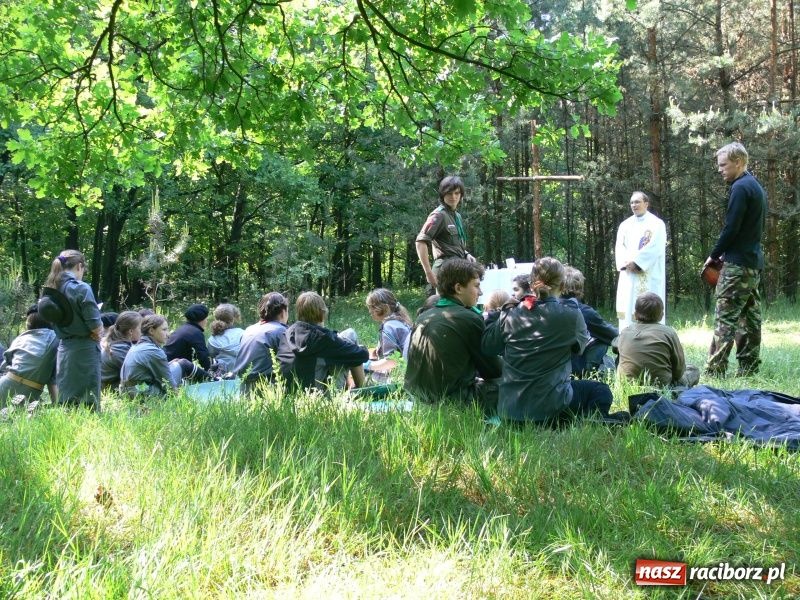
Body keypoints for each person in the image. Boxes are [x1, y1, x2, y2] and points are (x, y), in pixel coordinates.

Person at [482, 257, 614, 425]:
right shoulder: (571, 315)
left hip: (510, 412)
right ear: (562, 286)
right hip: (551, 409)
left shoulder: (510, 313)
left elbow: (487, 348)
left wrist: (501, 311)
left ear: (531, 285)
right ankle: (589, 423)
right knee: (600, 390)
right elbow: (579, 349)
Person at [405, 258, 502, 412]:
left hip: (416, 398)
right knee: (516, 384)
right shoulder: (469, 318)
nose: (481, 292)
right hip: (451, 403)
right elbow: (493, 370)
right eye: (476, 286)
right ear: (458, 288)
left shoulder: (424, 315)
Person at [704, 142, 767, 377]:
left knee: (726, 317)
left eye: (723, 165)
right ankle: (749, 366)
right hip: (752, 263)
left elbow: (731, 228)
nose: (720, 169)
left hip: (737, 265)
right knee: (750, 317)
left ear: (738, 162)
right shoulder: (755, 186)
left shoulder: (740, 187)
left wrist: (713, 255)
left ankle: (714, 370)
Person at [43, 249, 103, 411]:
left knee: (67, 400)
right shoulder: (81, 288)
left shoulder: (51, 289)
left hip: (64, 349)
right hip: (85, 349)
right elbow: (96, 328)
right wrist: (96, 332)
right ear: (79, 266)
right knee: (88, 401)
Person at [277, 292, 369, 393]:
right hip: (316, 396)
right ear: (322, 312)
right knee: (350, 335)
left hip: (288, 395)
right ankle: (363, 390)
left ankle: (353, 388)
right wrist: (361, 348)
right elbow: (361, 355)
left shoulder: (287, 333)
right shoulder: (322, 338)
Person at [616, 292, 700, 388]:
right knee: (693, 370)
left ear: (635, 314)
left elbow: (616, 348)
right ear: (661, 315)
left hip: (627, 387)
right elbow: (678, 372)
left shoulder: (625, 332)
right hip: (662, 388)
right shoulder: (669, 333)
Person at [614, 191, 666, 329]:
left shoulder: (657, 224)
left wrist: (637, 263)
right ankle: (628, 339)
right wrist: (626, 264)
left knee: (650, 306)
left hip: (649, 273)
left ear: (646, 204)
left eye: (637, 202)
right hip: (629, 275)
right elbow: (620, 247)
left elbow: (656, 247)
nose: (634, 205)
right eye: (632, 202)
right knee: (629, 306)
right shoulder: (625, 225)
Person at [415, 176, 476, 291]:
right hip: (445, 269)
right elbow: (420, 242)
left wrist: (466, 254)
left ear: (461, 195)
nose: (453, 197)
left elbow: (452, 243)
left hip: (458, 267)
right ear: (443, 195)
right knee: (447, 307)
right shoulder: (438, 215)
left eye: (456, 193)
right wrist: (428, 272)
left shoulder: (456, 216)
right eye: (449, 193)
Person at [561, 266, 618, 377]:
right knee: (601, 341)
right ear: (580, 288)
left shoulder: (547, 308)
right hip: (575, 369)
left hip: (552, 370)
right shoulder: (584, 312)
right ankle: (591, 373)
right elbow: (612, 334)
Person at [0, 305, 59, 406]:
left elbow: (4, 366)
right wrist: (57, 404)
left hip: (5, 384)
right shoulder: (55, 339)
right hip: (28, 392)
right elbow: (52, 380)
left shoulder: (21, 337)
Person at [234, 292, 289, 395]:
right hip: (267, 387)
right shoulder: (281, 331)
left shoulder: (249, 329)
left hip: (243, 387)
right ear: (283, 312)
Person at [363, 288, 413, 381]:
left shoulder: (388, 327)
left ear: (385, 308)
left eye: (372, 307)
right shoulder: (401, 321)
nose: (370, 311)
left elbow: (392, 361)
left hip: (400, 377)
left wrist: (367, 365)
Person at [164, 303, 212, 372]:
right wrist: (211, 373)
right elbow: (203, 357)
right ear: (202, 319)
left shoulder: (183, 329)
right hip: (175, 369)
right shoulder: (195, 332)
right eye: (206, 319)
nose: (207, 321)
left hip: (167, 365)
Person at [100, 311, 143, 389]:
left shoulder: (116, 343)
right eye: (140, 328)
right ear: (131, 331)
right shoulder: (121, 350)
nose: (142, 332)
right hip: (112, 389)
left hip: (107, 386)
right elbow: (138, 374)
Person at [208, 303, 245, 373]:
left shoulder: (213, 339)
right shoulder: (242, 333)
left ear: (216, 317)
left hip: (220, 375)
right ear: (233, 319)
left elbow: (210, 356)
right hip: (241, 373)